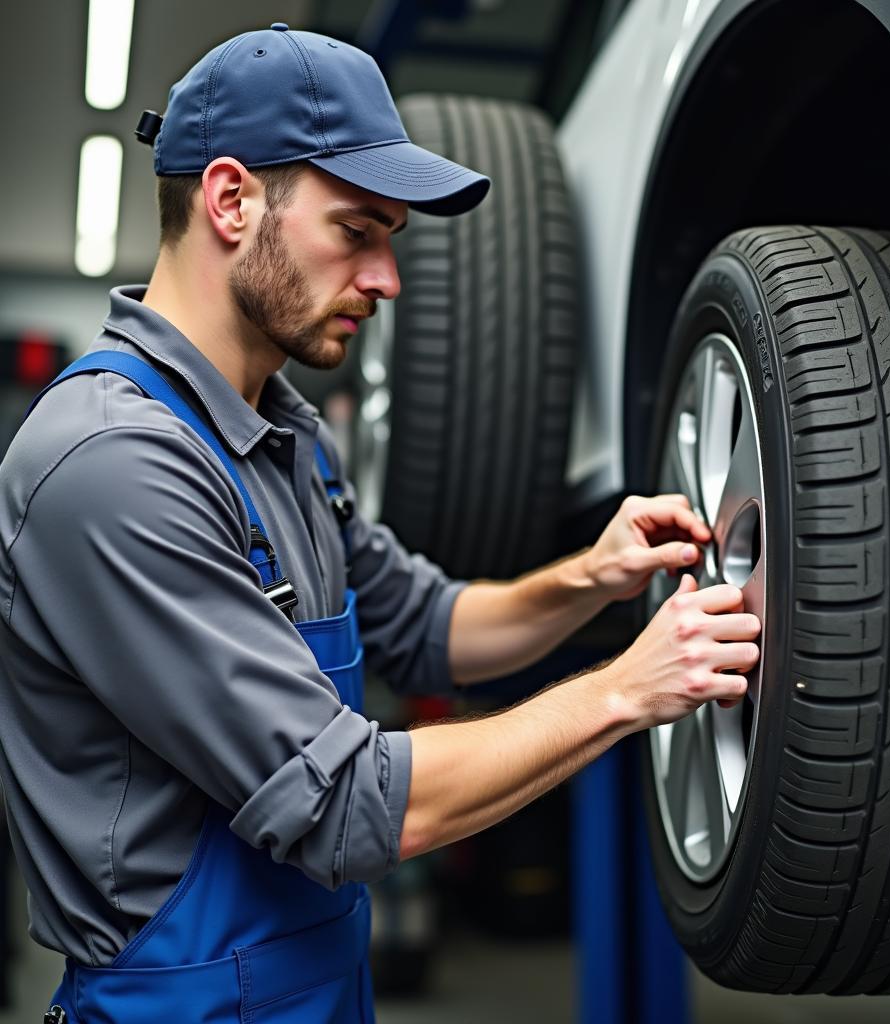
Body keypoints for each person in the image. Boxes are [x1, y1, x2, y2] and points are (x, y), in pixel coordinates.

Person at [0, 23, 760, 1024]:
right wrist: (625, 690)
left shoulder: (284, 433)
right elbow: (345, 806)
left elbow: (428, 627)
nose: (388, 280)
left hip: (316, 988)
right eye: (356, 231)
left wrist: (594, 575)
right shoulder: (114, 465)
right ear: (231, 200)